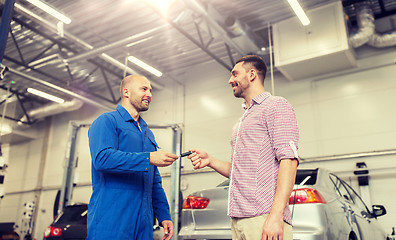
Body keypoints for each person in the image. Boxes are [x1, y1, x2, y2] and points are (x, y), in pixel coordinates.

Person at [188, 55, 299, 240]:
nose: (230, 80)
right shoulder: (243, 120)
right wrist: (211, 161)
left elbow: (289, 160)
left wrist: (276, 215)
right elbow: (240, 172)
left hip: (264, 217)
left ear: (252, 74)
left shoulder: (276, 106)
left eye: (235, 74)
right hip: (239, 220)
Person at [87, 75, 178, 240]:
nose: (149, 94)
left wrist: (164, 215)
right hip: (111, 219)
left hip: (143, 222)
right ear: (126, 92)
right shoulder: (107, 121)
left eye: (150, 90)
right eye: (144, 89)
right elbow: (102, 159)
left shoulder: (146, 132)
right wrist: (148, 158)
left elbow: (154, 181)